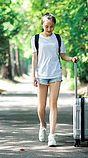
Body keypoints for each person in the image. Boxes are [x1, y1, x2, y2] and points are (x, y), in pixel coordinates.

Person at [31, 12, 79, 147]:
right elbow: (35, 58)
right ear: (42, 25)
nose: (49, 29)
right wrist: (33, 76)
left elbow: (63, 56)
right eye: (46, 26)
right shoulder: (35, 39)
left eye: (52, 27)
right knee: (41, 107)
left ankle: (52, 135)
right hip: (41, 75)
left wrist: (72, 59)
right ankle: (42, 125)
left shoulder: (58, 38)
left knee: (53, 105)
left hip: (55, 74)